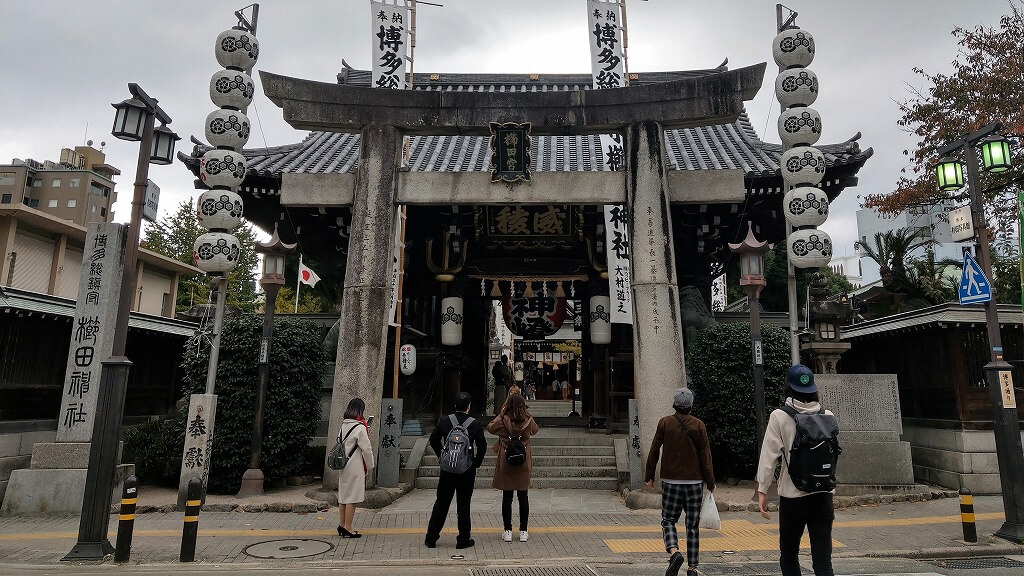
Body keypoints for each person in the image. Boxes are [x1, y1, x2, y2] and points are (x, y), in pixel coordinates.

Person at [756, 365, 837, 576]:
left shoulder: (779, 416)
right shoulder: (827, 414)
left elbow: (768, 456)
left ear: (788, 388)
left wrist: (763, 490)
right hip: (823, 495)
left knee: (789, 554)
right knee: (823, 560)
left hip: (793, 497)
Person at [645, 388, 715, 576]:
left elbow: (654, 451)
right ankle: (692, 568)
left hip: (671, 480)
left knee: (668, 520)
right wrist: (710, 482)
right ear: (691, 405)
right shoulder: (699, 425)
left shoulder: (665, 423)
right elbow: (705, 456)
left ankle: (674, 551)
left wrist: (649, 475)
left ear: (674, 404)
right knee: (692, 525)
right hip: (694, 482)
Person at [425, 391, 488, 549]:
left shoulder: (445, 421)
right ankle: (463, 540)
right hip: (466, 469)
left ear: (455, 406)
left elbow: (433, 439)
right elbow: (483, 445)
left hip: (447, 468)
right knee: (464, 504)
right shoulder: (474, 424)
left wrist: (442, 456)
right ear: (469, 406)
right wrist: (475, 463)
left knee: (441, 502)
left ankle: (431, 538)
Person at [486, 393, 539, 543]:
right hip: (523, 461)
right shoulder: (528, 420)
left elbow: (490, 428)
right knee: (523, 497)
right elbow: (535, 430)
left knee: (507, 497)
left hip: (506, 461)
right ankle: (523, 531)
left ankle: (507, 531)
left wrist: (502, 412)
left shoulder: (502, 420)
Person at [336, 398, 374, 538]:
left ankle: (341, 524)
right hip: (355, 465)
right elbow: (367, 449)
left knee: (343, 496)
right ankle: (348, 527)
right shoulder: (359, 427)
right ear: (360, 410)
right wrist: (370, 466)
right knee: (352, 497)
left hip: (343, 464)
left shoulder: (343, 425)